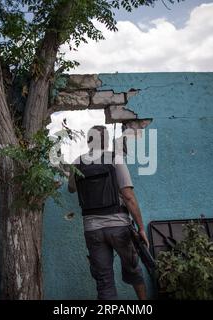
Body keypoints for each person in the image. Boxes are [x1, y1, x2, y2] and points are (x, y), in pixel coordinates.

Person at [68, 125, 149, 300]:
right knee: (134, 269)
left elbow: (71, 189)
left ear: (88, 140)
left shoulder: (77, 162)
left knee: (104, 281)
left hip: (92, 230)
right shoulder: (115, 158)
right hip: (120, 227)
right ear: (106, 141)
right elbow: (128, 196)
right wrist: (141, 228)